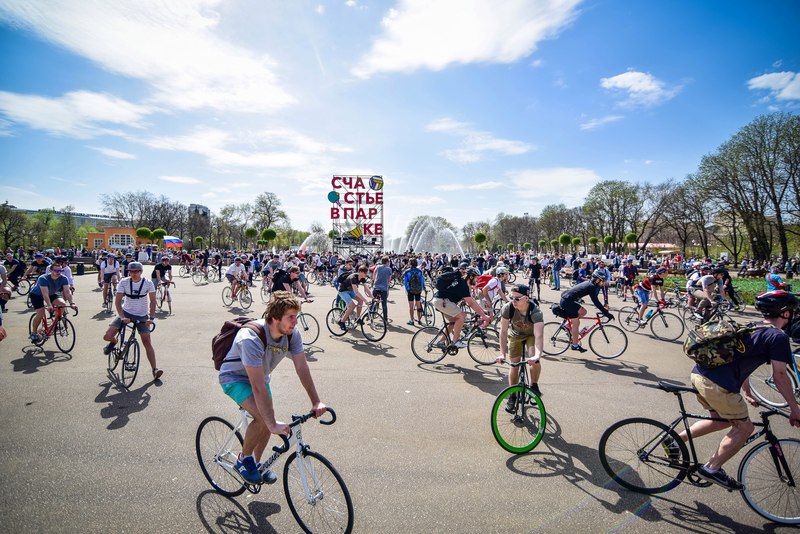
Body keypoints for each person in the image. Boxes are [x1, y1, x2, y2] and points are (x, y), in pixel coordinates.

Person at [675, 290, 800, 490]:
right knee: (745, 428)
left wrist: (747, 392)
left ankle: (674, 440)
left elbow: (740, 360)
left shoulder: (754, 326)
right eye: (793, 311)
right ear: (785, 313)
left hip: (700, 375)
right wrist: (795, 409)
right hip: (718, 384)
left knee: (720, 420)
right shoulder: (778, 337)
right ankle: (711, 469)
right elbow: (780, 376)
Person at [218, 291, 327, 484]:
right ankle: (243, 459)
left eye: (296, 316)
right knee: (264, 418)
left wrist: (316, 401)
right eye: (291, 317)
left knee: (268, 420)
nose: (295, 322)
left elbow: (302, 367)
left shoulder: (291, 334)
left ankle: (255, 464)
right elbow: (257, 387)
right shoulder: (251, 338)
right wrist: (270, 422)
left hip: (261, 377)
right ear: (276, 317)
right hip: (234, 378)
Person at [102, 262, 162, 380]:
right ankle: (114, 342)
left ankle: (155, 370)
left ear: (141, 272)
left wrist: (151, 318)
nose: (133, 274)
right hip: (126, 313)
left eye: (136, 271)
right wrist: (122, 316)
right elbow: (118, 302)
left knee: (147, 342)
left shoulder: (148, 283)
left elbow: (153, 301)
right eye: (131, 271)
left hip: (142, 316)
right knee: (107, 336)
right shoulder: (124, 282)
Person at [497, 285, 544, 402]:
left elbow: (539, 335)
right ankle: (512, 395)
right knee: (514, 365)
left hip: (531, 335)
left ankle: (534, 385)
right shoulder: (508, 308)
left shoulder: (535, 311)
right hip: (515, 335)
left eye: (517, 299)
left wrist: (537, 355)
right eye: (511, 297)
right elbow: (503, 332)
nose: (513, 301)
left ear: (526, 298)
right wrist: (502, 353)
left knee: (534, 357)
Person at [432, 266, 491, 348]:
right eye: (477, 278)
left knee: (453, 322)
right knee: (462, 316)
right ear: (471, 277)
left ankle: (441, 342)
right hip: (442, 301)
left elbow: (472, 300)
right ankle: (455, 342)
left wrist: (482, 311)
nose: (477, 280)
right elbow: (471, 303)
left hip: (440, 301)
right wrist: (483, 316)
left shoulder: (463, 283)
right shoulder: (463, 285)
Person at [558, 269, 615, 352]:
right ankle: (575, 345)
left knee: (583, 312)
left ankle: (567, 326)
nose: (603, 283)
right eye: (602, 281)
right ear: (597, 280)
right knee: (576, 323)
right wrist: (606, 313)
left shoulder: (589, 283)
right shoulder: (591, 287)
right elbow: (596, 302)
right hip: (567, 302)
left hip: (567, 300)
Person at [29, 263, 77, 343]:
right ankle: (34, 333)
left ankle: (53, 325)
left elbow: (67, 291)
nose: (59, 272)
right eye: (56, 270)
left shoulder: (63, 278)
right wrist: (49, 305)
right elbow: (45, 294)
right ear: (51, 270)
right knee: (40, 314)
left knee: (62, 304)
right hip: (37, 295)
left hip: (52, 293)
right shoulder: (43, 278)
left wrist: (72, 303)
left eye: (60, 270)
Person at [336, 265, 370, 331]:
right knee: (352, 306)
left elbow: (367, 289)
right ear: (360, 272)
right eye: (365, 273)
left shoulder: (362, 278)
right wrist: (365, 300)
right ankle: (342, 321)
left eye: (366, 272)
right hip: (343, 291)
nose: (366, 274)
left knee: (360, 300)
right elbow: (356, 292)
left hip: (350, 291)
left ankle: (357, 318)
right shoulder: (353, 278)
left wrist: (373, 298)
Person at [403, 258, 426, 325]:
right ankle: (419, 320)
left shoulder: (407, 271)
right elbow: (422, 281)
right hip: (418, 290)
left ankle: (412, 320)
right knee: (418, 305)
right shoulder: (419, 271)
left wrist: (408, 289)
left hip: (410, 290)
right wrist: (421, 288)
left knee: (411, 306)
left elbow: (405, 282)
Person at [370, 256, 392, 322]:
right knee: (384, 304)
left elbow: (374, 275)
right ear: (387, 262)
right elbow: (389, 279)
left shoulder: (378, 267)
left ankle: (370, 315)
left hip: (376, 286)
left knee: (373, 301)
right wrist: (388, 285)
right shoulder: (389, 269)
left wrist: (374, 281)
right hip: (384, 288)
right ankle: (385, 319)